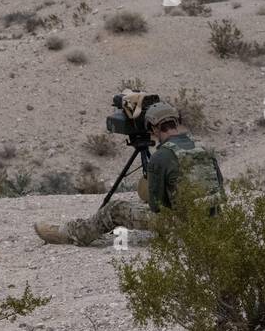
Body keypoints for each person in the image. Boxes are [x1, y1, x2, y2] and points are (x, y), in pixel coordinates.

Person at [34, 101, 224, 245]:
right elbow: (218, 186)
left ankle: (71, 234)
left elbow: (157, 207)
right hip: (214, 223)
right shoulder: (204, 149)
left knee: (116, 208)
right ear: (176, 122)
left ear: (153, 128)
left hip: (183, 228)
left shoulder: (162, 157)